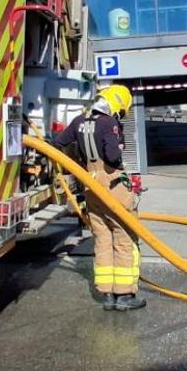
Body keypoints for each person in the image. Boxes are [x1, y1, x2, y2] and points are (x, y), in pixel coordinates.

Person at [53, 84, 145, 311]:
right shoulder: (109, 122)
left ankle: (106, 294)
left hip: (90, 185)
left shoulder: (79, 121)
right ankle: (124, 295)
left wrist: (79, 164)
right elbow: (113, 157)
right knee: (124, 237)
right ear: (116, 105)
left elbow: (59, 143)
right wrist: (119, 145)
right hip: (112, 184)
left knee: (102, 238)